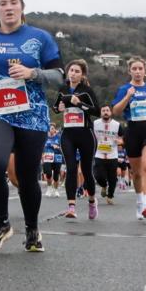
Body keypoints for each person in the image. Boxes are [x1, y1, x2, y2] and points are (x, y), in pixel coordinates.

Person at [0, 0, 65, 254]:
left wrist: (32, 72)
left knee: (26, 175)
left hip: (32, 114)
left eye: (13, 3)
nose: (8, 8)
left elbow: (59, 76)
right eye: (3, 3)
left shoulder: (40, 38)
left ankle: (32, 229)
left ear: (22, 7)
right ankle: (1, 223)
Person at [112, 58, 146, 220]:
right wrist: (127, 97)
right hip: (132, 132)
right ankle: (140, 201)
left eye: (140, 68)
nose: (137, 71)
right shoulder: (124, 89)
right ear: (130, 71)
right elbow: (115, 110)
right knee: (136, 173)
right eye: (134, 68)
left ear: (145, 71)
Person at [57, 60, 98, 220]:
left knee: (87, 171)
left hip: (86, 134)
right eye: (71, 70)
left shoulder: (87, 91)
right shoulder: (63, 89)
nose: (73, 73)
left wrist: (79, 104)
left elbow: (97, 111)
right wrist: (58, 108)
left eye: (77, 71)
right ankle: (71, 207)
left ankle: (92, 201)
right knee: (71, 168)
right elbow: (56, 106)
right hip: (68, 134)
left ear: (82, 75)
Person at [92, 105, 121, 204]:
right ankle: (104, 185)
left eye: (107, 110)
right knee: (98, 175)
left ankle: (110, 196)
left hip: (112, 154)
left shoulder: (117, 125)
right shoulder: (95, 123)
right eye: (103, 110)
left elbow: (124, 137)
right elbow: (89, 135)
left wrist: (120, 141)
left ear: (111, 112)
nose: (105, 112)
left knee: (112, 177)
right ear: (100, 113)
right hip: (99, 153)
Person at [42, 129, 63, 198]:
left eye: (52, 128)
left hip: (57, 157)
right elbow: (41, 146)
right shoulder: (44, 137)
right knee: (48, 173)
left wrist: (58, 147)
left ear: (55, 130)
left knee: (56, 175)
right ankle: (49, 188)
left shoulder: (58, 137)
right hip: (47, 157)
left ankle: (56, 190)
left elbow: (63, 147)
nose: (51, 130)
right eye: (50, 128)